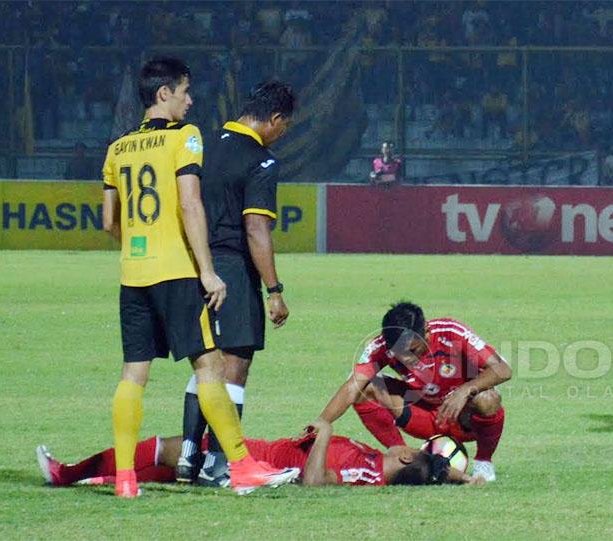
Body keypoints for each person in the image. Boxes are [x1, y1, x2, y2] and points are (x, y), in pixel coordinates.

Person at [100, 57, 298, 497]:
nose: (191, 101)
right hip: (177, 269)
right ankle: (240, 466)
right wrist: (207, 271)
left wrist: (141, 246)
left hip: (134, 273)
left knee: (134, 374)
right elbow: (192, 205)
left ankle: (127, 480)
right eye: (185, 92)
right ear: (164, 93)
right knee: (210, 366)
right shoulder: (186, 139)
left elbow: (110, 222)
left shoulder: (118, 148)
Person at [176, 81, 296, 486]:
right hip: (230, 267)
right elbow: (256, 229)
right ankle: (218, 463)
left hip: (191, 263)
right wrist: (274, 289)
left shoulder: (201, 144)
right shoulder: (261, 161)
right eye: (285, 127)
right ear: (275, 120)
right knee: (234, 366)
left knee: (205, 360)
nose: (282, 135)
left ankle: (188, 458)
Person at [316, 302, 511, 481]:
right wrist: (320, 424)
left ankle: (484, 463)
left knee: (488, 398)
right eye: (398, 355)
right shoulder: (381, 346)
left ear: (426, 330)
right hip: (421, 414)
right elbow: (352, 387)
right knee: (364, 387)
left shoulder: (451, 332)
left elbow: (503, 369)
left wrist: (465, 390)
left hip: (461, 417)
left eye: (414, 351)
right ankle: (403, 455)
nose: (407, 360)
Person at [35, 420, 484, 488]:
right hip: (258, 453)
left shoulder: (367, 472)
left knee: (173, 449)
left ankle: (67, 473)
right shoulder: (372, 463)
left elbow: (314, 483)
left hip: (255, 459)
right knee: (173, 470)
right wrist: (461, 476)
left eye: (414, 447)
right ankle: (96, 479)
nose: (405, 441)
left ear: (407, 458)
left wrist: (324, 434)